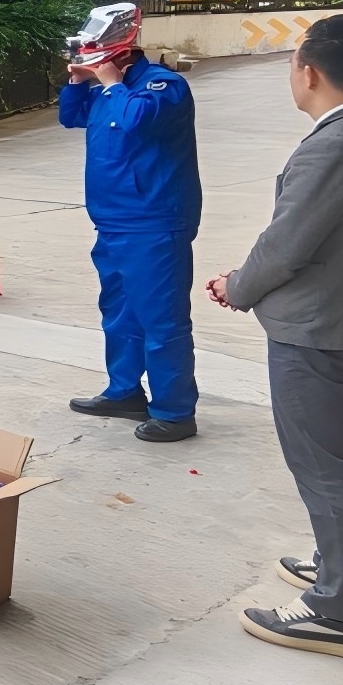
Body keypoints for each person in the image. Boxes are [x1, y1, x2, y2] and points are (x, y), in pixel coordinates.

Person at [208, 17, 343, 661]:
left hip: (319, 332)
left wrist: (238, 285)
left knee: (328, 469)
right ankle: (339, 567)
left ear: (311, 71)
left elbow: (288, 243)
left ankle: (338, 613)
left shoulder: (337, 143)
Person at [58, 47, 202, 442]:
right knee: (119, 313)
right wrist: (78, 82)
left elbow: (137, 120)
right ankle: (124, 392)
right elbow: (70, 116)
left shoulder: (164, 86)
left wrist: (112, 84)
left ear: (117, 56)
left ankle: (175, 412)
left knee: (161, 318)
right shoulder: (107, 92)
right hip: (111, 220)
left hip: (154, 221)